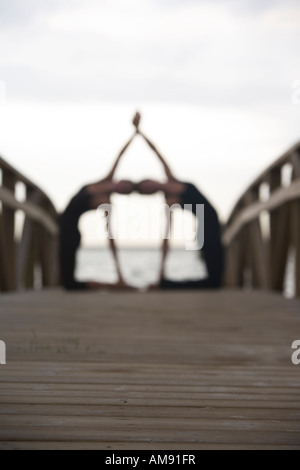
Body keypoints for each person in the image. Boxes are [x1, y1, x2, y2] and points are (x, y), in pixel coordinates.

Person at [59, 131, 138, 291]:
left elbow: (110, 236)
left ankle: (113, 285)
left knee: (70, 284)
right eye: (125, 185)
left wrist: (119, 272)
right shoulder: (103, 181)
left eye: (125, 191)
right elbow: (119, 156)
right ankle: (114, 285)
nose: (122, 188)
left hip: (71, 232)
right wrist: (134, 133)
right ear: (120, 180)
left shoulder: (106, 201)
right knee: (66, 278)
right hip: (62, 226)